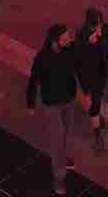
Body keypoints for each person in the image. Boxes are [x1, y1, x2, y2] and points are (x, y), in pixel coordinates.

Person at [26, 24, 82, 196]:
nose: (69, 39)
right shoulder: (42, 58)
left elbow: (79, 68)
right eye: (65, 38)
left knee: (68, 132)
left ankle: (64, 158)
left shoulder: (71, 49)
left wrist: (85, 91)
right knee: (57, 139)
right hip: (52, 104)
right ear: (55, 41)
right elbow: (33, 80)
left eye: (69, 36)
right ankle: (59, 177)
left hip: (69, 100)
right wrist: (30, 103)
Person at [76, 7, 108, 152]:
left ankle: (97, 118)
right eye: (94, 27)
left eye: (99, 26)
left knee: (99, 96)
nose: (98, 30)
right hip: (90, 76)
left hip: (104, 71)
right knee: (94, 104)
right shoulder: (82, 35)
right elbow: (79, 61)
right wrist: (88, 44)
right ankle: (97, 134)